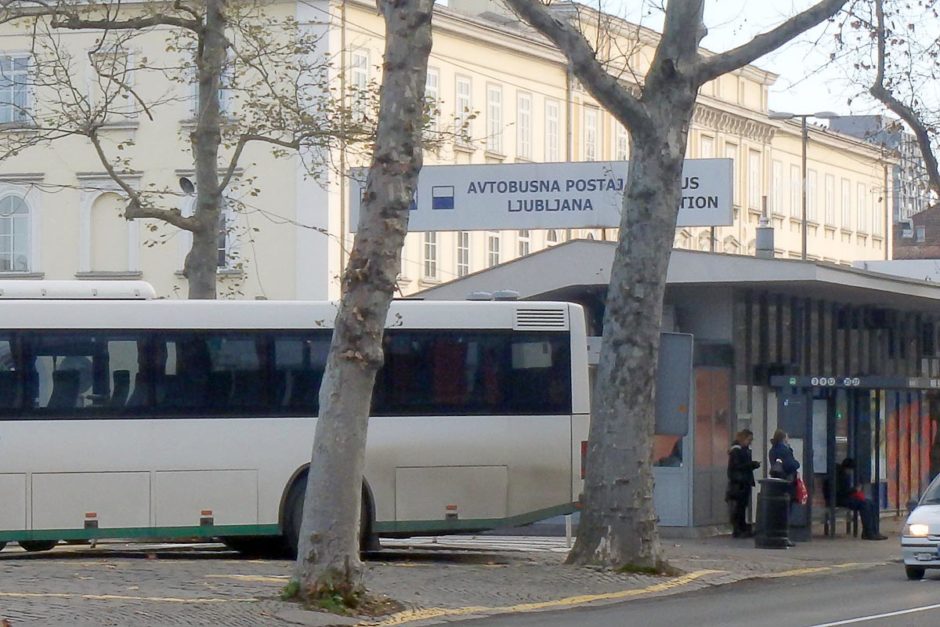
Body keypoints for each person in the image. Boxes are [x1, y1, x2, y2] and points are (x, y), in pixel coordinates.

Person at [834, 458, 887, 541]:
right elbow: (841, 492)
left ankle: (874, 531)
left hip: (845, 498)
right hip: (840, 500)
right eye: (850, 470)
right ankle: (868, 532)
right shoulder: (838, 476)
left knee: (871, 503)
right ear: (847, 468)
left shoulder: (843, 475)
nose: (850, 472)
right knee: (865, 504)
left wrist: (854, 490)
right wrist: (855, 490)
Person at [726, 429, 760, 538]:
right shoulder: (737, 451)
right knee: (739, 508)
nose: (750, 442)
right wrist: (751, 465)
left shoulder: (743, 450)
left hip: (743, 482)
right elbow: (737, 466)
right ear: (744, 439)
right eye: (749, 439)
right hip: (740, 483)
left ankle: (741, 528)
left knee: (742, 507)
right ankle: (738, 529)